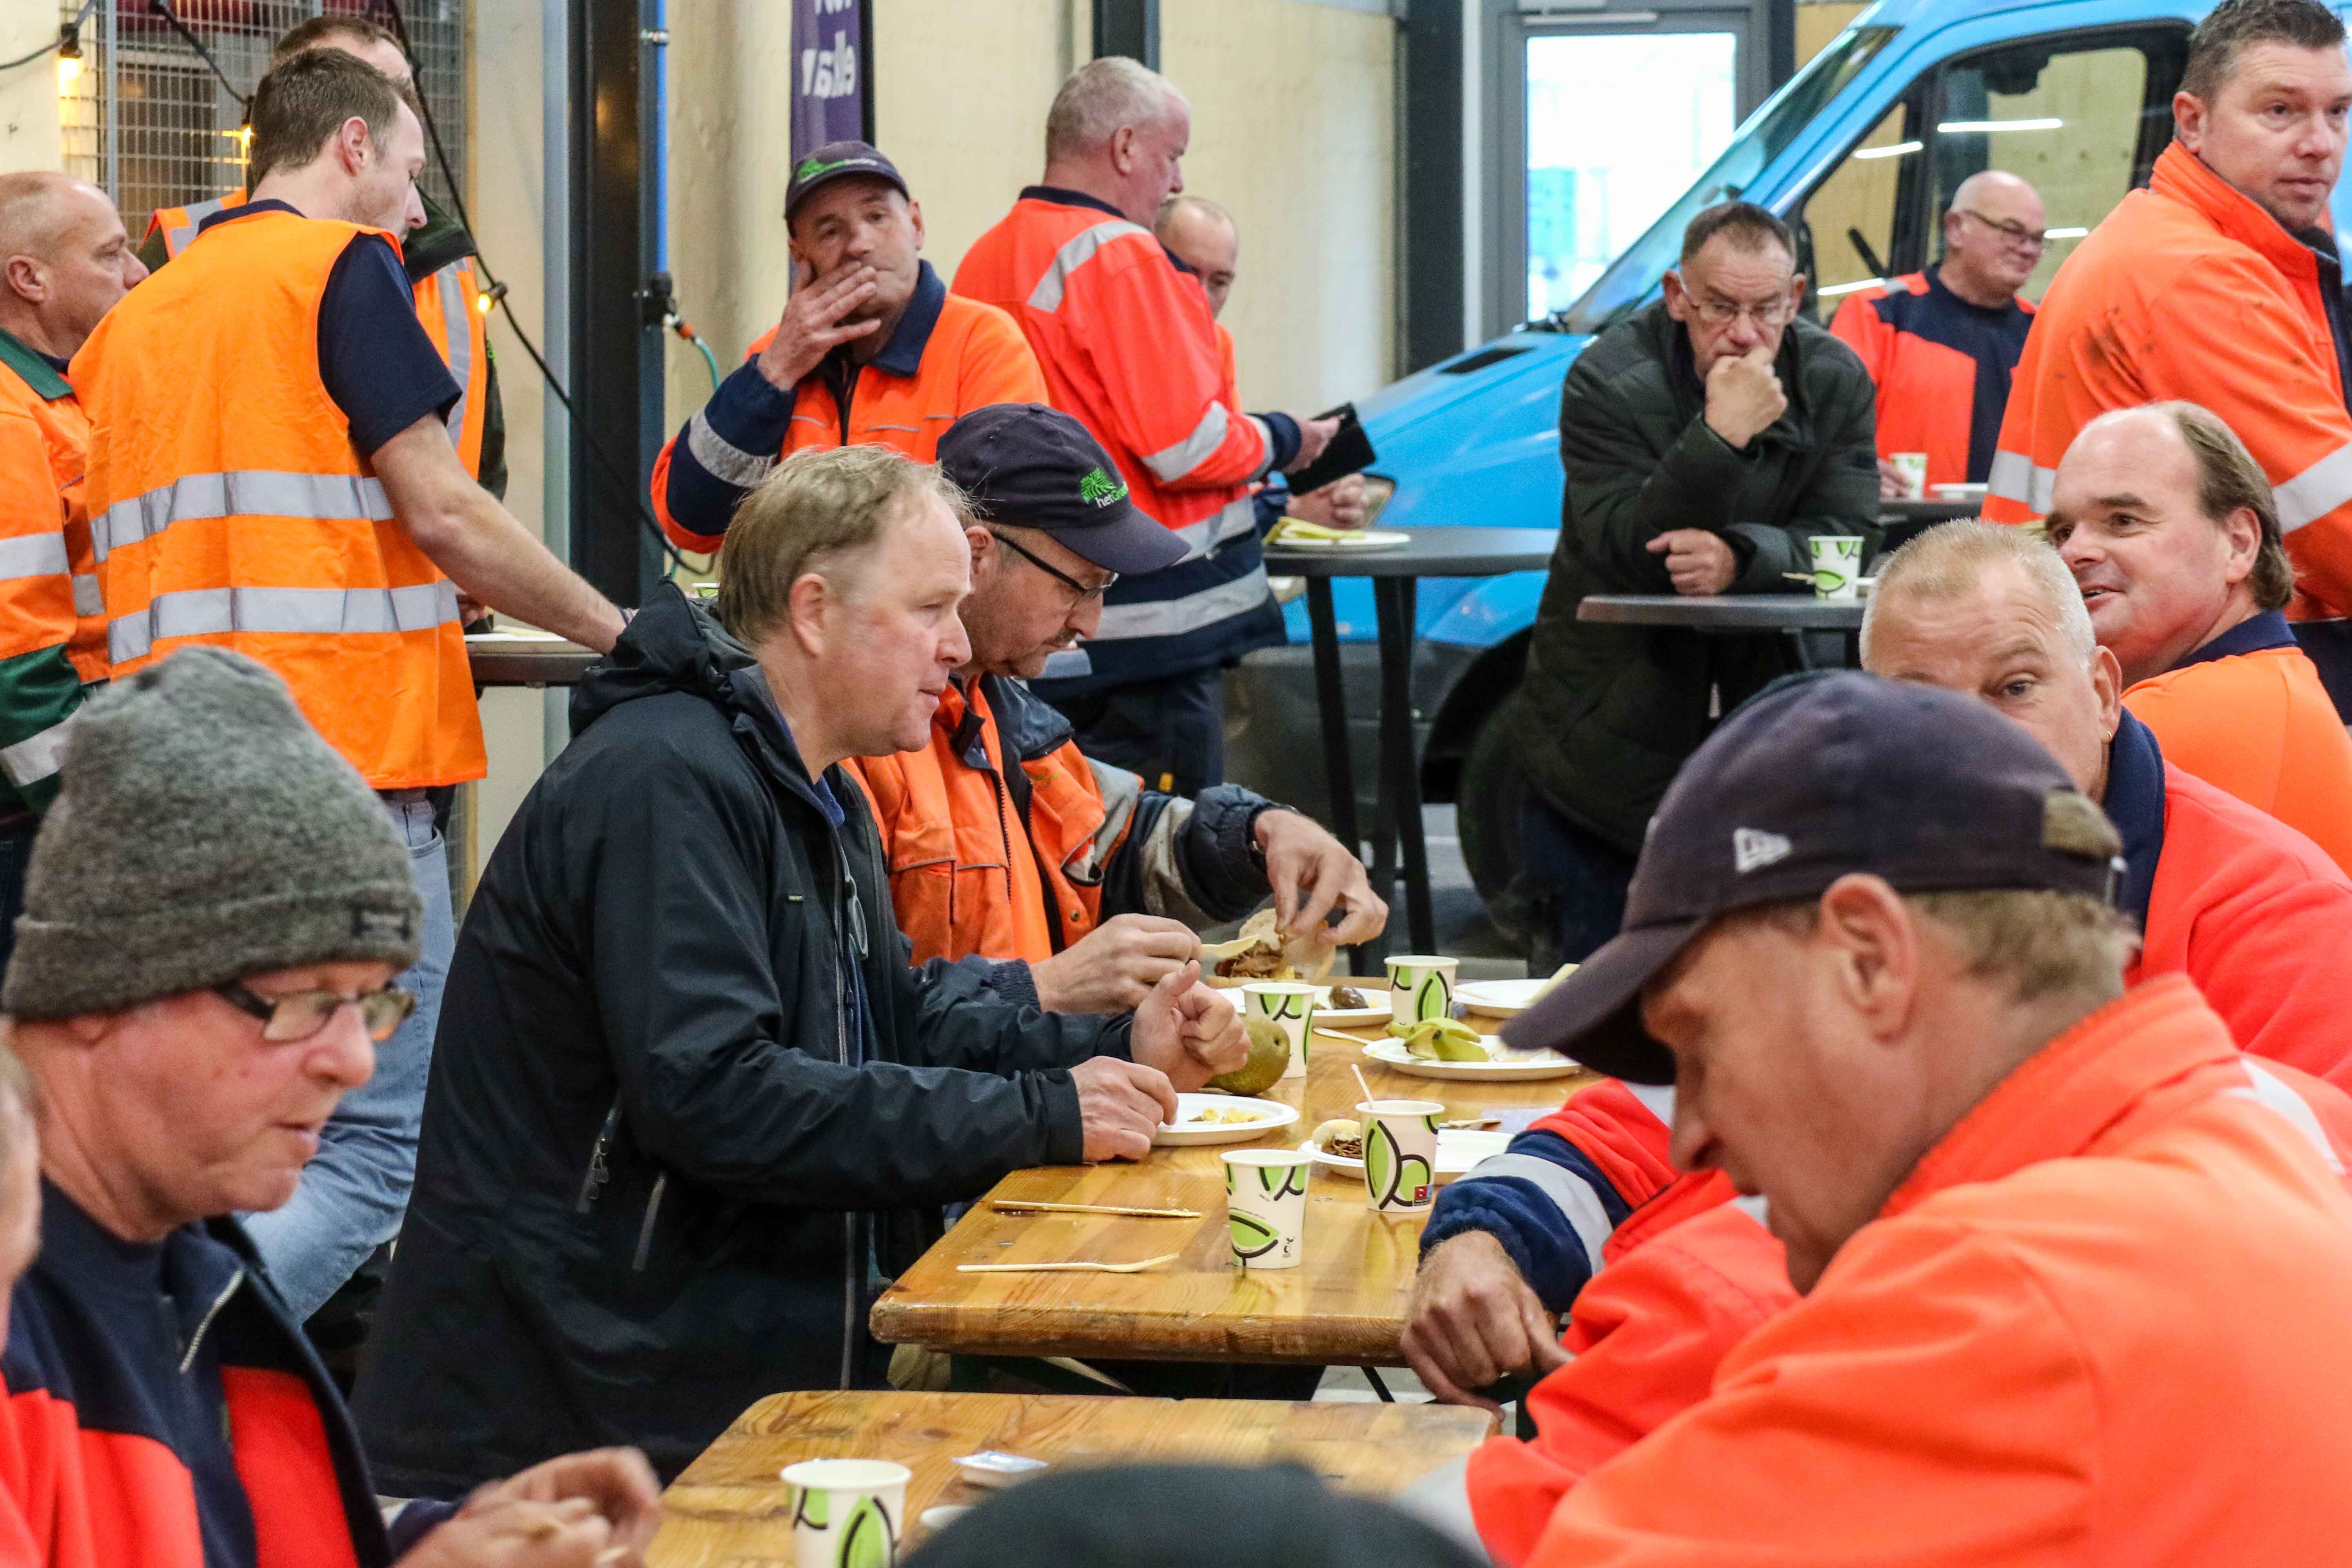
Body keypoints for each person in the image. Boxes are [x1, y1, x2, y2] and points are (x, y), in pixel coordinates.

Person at [1401, 523, 2352, 1509]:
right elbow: (1632, 1114)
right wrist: (1493, 1222)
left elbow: (1530, 1527)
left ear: (1872, 954)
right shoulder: (2261, 1122)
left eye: (2013, 687)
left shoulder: (1951, 1313)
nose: (1695, 1134)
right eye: (1920, 710)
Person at [352, 445, 1247, 1493]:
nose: (960, 647)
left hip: (712, 1358)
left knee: (1202, 1429)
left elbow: (882, 1022)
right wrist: (1048, 1113)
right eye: (930, 610)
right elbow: (718, 1097)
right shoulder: (664, 783)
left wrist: (1111, 1049)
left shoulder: (814, 783)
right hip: (586, 1419)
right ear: (814, 611)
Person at [72, 51, 624, 1325]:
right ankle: (147, 1361)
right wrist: (621, 632)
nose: (415, 207)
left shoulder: (135, 323)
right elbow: (444, 509)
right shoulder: (338, 270)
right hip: (341, 781)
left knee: (216, 1143)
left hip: (168, 797)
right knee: (376, 1148)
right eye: (413, 170)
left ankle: (144, 1417)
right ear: (355, 150)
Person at [0, 647, 664, 1568]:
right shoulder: (16, 1305)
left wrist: (424, 1543)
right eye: (306, 1003)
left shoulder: (176, 1250)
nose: (354, 1061)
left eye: (373, 1003)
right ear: (104, 993)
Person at [847, 403, 1385, 1013]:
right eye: (1079, 585)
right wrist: (1046, 992)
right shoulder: (859, 734)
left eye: (1106, 588)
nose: (1091, 623)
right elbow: (845, 1017)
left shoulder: (1003, 711)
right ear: (977, 556)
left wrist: (1265, 835)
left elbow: (1119, 837)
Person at [1506, 200, 1878, 964]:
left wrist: (1742, 558)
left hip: (1769, 740)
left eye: (1766, 309)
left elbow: (1848, 541)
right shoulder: (1607, 379)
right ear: (1678, 296)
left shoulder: (1834, 377)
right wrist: (1720, 436)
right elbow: (1633, 547)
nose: (1744, 333)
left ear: (1798, 299)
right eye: (1720, 308)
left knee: (1758, 1008)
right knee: (1598, 1012)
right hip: (1606, 740)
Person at [956, 57, 1339, 794]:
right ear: (1127, 147)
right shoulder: (1124, 255)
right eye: (1172, 156)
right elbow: (1187, 446)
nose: (1175, 182)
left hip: (1030, 617)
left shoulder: (989, 253)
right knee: (1159, 857)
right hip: (1151, 631)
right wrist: (1289, 436)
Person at [1988, 0, 2352, 628]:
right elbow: (2333, 524)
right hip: (2172, 669)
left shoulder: (2171, 244)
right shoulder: (2196, 277)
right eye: (2280, 110)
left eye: (2339, 112)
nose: (2319, 144)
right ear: (2193, 121)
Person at [138, 15, 506, 496]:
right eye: (354, 83)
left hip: (427, 570)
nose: (389, 106)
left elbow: (484, 456)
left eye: (401, 91)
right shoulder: (180, 247)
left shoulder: (449, 262)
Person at [650, 140, 1046, 552]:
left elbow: (1002, 529)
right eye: (830, 231)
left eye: (877, 217)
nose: (859, 244)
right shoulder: (775, 357)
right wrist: (774, 373)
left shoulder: (983, 341)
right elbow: (689, 523)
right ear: (799, 255)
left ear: (916, 225)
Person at [2047, 403, 2352, 873]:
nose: (2074, 552)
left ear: (2239, 544)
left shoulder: (2171, 719)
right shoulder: (2269, 683)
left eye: (2124, 520)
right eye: (2063, 531)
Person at [0, 174, 142, 977]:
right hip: (36, 831)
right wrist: (91, 833)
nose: (136, 273)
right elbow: (14, 666)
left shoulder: (55, 398)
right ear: (30, 279)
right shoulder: (10, 418)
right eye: (110, 253)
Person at [1154, 193, 1367, 531]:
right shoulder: (1128, 349)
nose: (1202, 296)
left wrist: (1305, 498)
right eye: (1186, 273)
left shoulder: (1217, 344)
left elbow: (1222, 471)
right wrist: (1286, 507)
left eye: (1220, 282)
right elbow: (1164, 479)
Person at [1829, 170, 2041, 496]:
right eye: (2012, 232)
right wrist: (1852, 468)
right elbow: (1824, 434)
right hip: (1900, 537)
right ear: (1956, 229)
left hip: (2013, 539)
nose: (2028, 250)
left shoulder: (2042, 333)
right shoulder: (1880, 314)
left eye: (2038, 239)